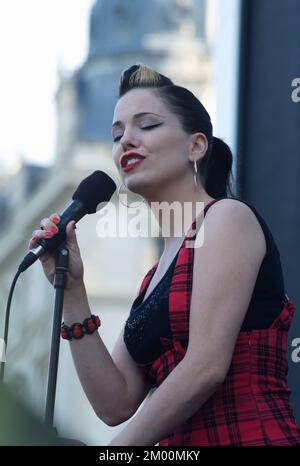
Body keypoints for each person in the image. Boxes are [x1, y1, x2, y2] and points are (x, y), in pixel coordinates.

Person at [29, 64, 300, 446]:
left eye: (148, 125)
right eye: (117, 133)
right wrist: (73, 291)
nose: (126, 141)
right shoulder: (153, 277)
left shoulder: (226, 218)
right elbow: (115, 403)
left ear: (196, 146)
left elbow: (206, 366)